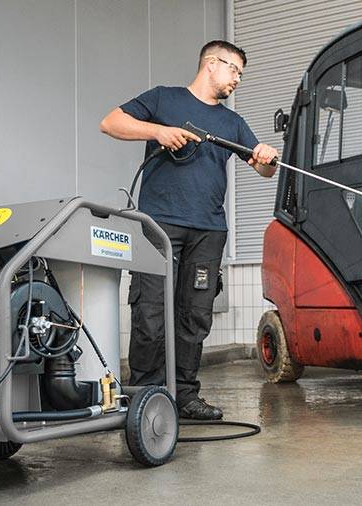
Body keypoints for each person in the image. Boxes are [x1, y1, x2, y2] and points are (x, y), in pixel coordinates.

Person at [99, 40, 277, 420]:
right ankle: (145, 395)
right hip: (159, 224)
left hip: (208, 231)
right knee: (150, 311)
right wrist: (158, 133)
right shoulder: (165, 100)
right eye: (234, 71)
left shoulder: (232, 122)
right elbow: (110, 122)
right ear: (212, 64)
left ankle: (184, 394)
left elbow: (262, 169)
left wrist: (266, 158)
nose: (237, 80)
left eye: (241, 75)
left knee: (194, 314)